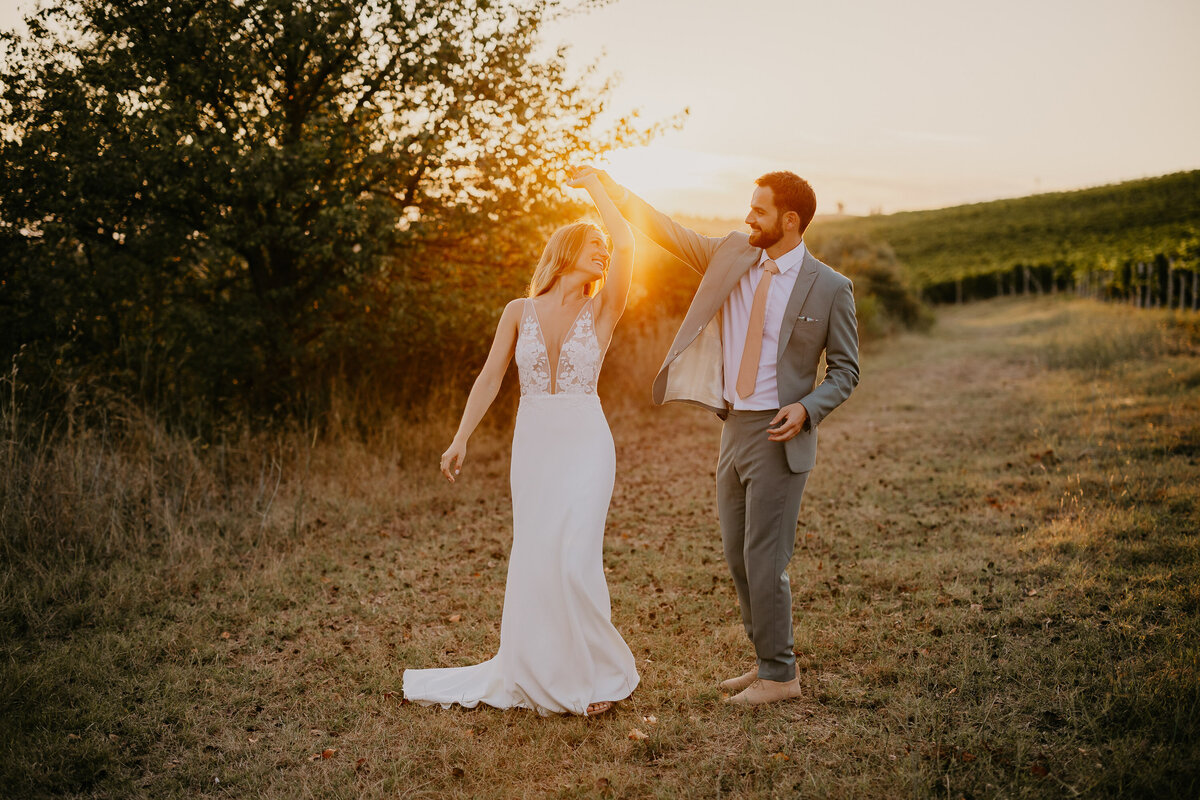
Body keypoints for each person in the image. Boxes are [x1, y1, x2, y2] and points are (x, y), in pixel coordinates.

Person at [573, 166, 860, 706]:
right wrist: (612, 190)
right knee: (737, 556)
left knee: (764, 559)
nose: (747, 217)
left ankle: (781, 675)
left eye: (759, 210)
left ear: (790, 220)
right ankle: (767, 660)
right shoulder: (732, 253)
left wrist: (807, 408)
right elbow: (668, 231)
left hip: (780, 433)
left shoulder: (830, 287)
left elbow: (846, 371)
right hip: (733, 429)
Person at [401, 170, 639, 717]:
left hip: (586, 444)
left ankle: (598, 675)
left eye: (603, 247)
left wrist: (597, 190)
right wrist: (460, 437)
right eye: (593, 245)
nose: (604, 253)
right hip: (534, 447)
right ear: (566, 251)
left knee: (577, 557)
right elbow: (490, 378)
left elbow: (627, 242)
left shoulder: (602, 310)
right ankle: (541, 668)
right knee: (537, 557)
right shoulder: (518, 311)